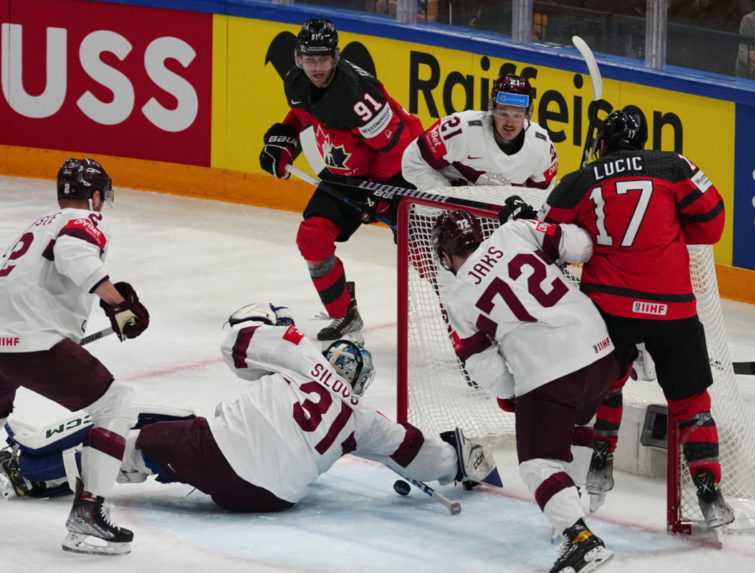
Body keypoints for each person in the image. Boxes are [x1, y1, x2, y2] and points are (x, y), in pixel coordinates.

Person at [1, 302, 501, 514]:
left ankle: (36, 471)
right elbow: (418, 453)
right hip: (271, 500)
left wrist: (275, 320)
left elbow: (236, 340)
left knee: (129, 439)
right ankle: (55, 466)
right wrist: (460, 460)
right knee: (173, 430)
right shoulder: (364, 421)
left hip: (218, 456)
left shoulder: (304, 357)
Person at [538, 110, 734, 529]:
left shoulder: (581, 179)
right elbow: (713, 225)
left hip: (609, 306)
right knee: (692, 401)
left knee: (606, 387)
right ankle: (709, 490)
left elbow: (548, 237)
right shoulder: (674, 165)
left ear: (604, 140)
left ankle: (600, 462)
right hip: (672, 305)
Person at [432, 210, 619, 573]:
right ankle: (571, 503)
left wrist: (511, 394)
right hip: (600, 348)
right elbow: (581, 246)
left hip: (550, 370)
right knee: (579, 422)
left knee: (536, 464)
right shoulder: (513, 231)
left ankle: (580, 539)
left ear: (444, 256)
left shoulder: (457, 297)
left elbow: (482, 364)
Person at [0, 158, 150, 555]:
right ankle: (88, 515)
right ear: (96, 196)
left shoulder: (36, 225)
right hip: (34, 342)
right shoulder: (84, 222)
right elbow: (72, 254)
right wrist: (117, 304)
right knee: (118, 403)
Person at [259, 18, 423, 341]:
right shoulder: (295, 82)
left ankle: (468, 333)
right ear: (298, 58)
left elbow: (396, 148)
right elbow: (305, 113)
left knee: (425, 252)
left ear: (335, 57)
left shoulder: (358, 95)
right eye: (309, 58)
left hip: (400, 172)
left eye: (322, 58)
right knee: (312, 238)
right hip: (348, 177)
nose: (316, 67)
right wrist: (286, 142)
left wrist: (376, 192)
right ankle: (344, 314)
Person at [401, 74, 557, 192]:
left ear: (528, 113)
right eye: (503, 113)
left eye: (517, 115)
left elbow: (543, 196)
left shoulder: (541, 146)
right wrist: (446, 200)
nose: (510, 123)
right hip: (442, 214)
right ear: (492, 108)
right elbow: (413, 160)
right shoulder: (461, 129)